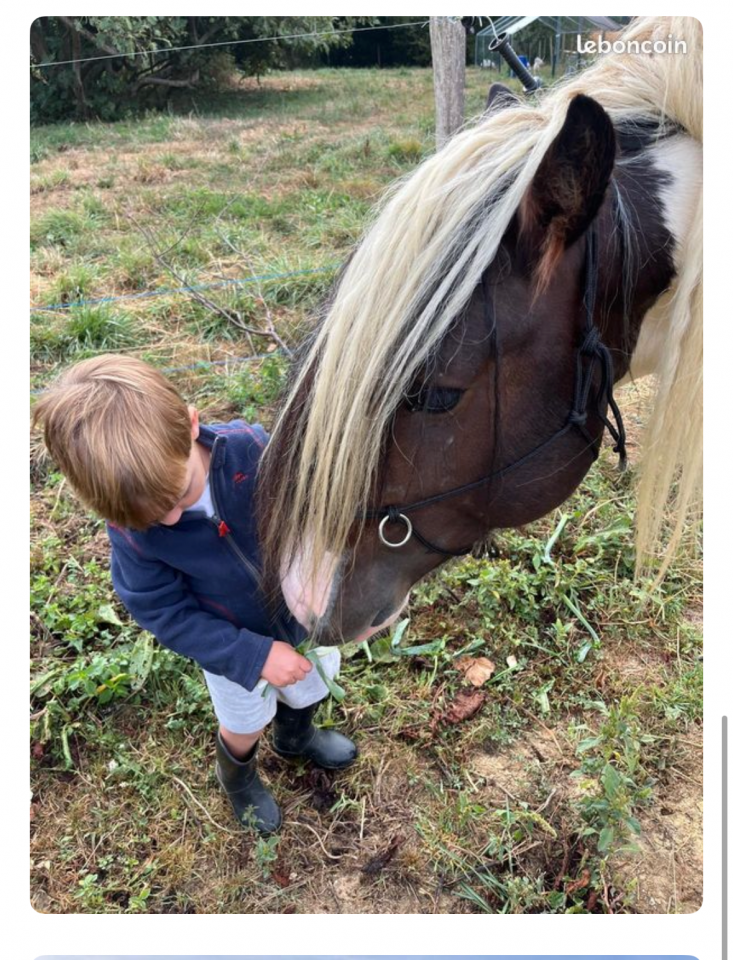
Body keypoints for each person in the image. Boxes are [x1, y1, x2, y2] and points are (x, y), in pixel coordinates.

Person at [32, 354, 356, 834]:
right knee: (244, 721)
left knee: (310, 684)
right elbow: (165, 612)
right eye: (148, 518)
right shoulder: (133, 535)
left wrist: (324, 563)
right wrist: (252, 655)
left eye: (177, 497)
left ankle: (296, 736)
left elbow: (309, 505)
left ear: (190, 425)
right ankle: (237, 776)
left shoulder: (253, 450)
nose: (168, 520)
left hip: (304, 617)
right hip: (232, 648)